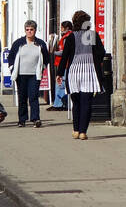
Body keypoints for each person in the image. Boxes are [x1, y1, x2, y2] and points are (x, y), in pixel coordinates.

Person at [56, 10, 105, 140]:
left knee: (76, 102)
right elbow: (101, 52)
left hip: (74, 72)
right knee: (86, 102)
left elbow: (65, 56)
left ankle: (76, 130)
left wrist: (59, 73)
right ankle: (83, 131)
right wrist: (95, 61)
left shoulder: (71, 37)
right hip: (89, 71)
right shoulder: (93, 35)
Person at [8, 21, 50, 127]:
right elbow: (11, 56)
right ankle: (22, 119)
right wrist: (12, 67)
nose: (29, 32)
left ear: (35, 30)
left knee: (33, 96)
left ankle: (35, 118)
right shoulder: (19, 43)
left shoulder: (40, 43)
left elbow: (46, 57)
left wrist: (42, 67)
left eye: (31, 29)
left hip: (34, 74)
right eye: (27, 29)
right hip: (21, 74)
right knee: (22, 97)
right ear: (25, 30)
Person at [49, 20, 73, 110]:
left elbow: (64, 52)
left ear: (67, 28)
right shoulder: (65, 36)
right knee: (60, 83)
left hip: (65, 64)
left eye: (62, 27)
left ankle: (59, 104)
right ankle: (58, 103)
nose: (61, 29)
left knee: (61, 84)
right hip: (62, 63)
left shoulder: (68, 37)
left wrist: (54, 52)